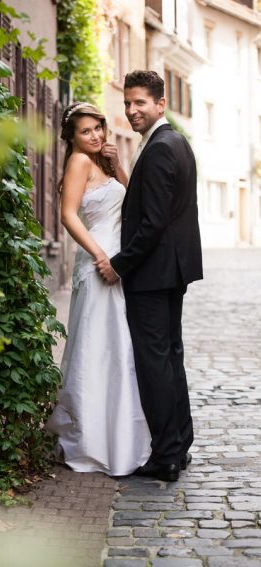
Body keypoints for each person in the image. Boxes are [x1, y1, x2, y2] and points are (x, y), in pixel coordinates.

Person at [96, 70, 203, 482]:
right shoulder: (173, 142)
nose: (131, 109)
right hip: (171, 271)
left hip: (154, 273)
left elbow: (153, 221)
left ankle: (165, 457)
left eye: (139, 102)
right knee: (170, 357)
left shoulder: (160, 147)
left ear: (160, 103)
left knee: (154, 362)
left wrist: (119, 263)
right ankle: (180, 443)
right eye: (127, 102)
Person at [46, 101, 151, 476]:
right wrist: (101, 256)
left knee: (119, 348)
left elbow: (131, 199)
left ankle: (122, 435)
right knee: (98, 347)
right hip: (98, 264)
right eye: (86, 131)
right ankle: (91, 439)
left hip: (117, 263)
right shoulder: (77, 162)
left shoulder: (102, 162)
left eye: (98, 128)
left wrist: (117, 162)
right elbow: (68, 215)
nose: (95, 136)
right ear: (71, 137)